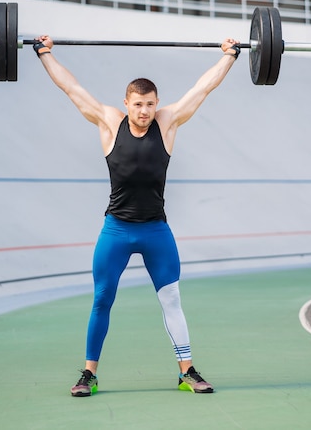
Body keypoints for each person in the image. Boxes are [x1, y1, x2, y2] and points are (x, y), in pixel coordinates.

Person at [33, 34, 242, 397]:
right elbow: (71, 88)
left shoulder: (169, 122)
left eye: (149, 105)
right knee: (102, 298)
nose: (143, 111)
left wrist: (230, 56)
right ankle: (89, 374)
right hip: (116, 229)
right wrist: (44, 53)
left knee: (172, 298)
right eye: (137, 104)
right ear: (126, 103)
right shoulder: (110, 123)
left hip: (155, 231)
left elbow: (202, 88)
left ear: (156, 104)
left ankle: (186, 372)